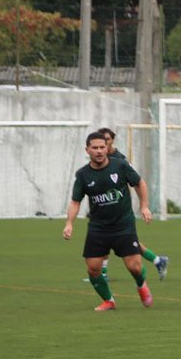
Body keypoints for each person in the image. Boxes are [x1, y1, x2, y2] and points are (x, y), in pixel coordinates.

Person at [62, 131, 154, 311]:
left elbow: (139, 183)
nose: (99, 151)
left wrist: (144, 206)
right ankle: (109, 301)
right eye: (94, 148)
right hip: (98, 228)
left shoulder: (120, 165)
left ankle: (141, 284)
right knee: (93, 269)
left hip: (123, 225)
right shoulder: (83, 175)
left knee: (135, 267)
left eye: (102, 147)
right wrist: (69, 223)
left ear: (107, 148)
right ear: (87, 150)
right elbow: (75, 201)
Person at [92, 128, 170, 281]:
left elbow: (137, 182)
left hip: (119, 209)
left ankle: (103, 274)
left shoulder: (120, 160)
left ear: (112, 140)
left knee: (121, 242)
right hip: (104, 207)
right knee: (123, 243)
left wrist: (144, 205)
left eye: (106, 139)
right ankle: (158, 261)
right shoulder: (99, 158)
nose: (103, 143)